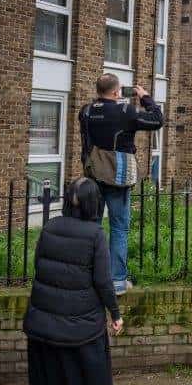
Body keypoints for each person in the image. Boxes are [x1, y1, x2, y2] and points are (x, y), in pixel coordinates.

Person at [24, 178, 122, 385]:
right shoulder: (96, 235)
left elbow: (39, 266)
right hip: (78, 326)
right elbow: (103, 281)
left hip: (43, 321)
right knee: (73, 380)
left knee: (46, 375)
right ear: (94, 203)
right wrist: (115, 313)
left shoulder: (49, 226)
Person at [79, 74, 165, 295]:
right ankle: (117, 281)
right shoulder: (125, 111)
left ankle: (91, 279)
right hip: (118, 178)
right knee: (118, 228)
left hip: (93, 176)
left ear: (98, 90)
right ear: (117, 92)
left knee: (92, 228)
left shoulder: (86, 112)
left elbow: (86, 144)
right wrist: (144, 97)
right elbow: (157, 119)